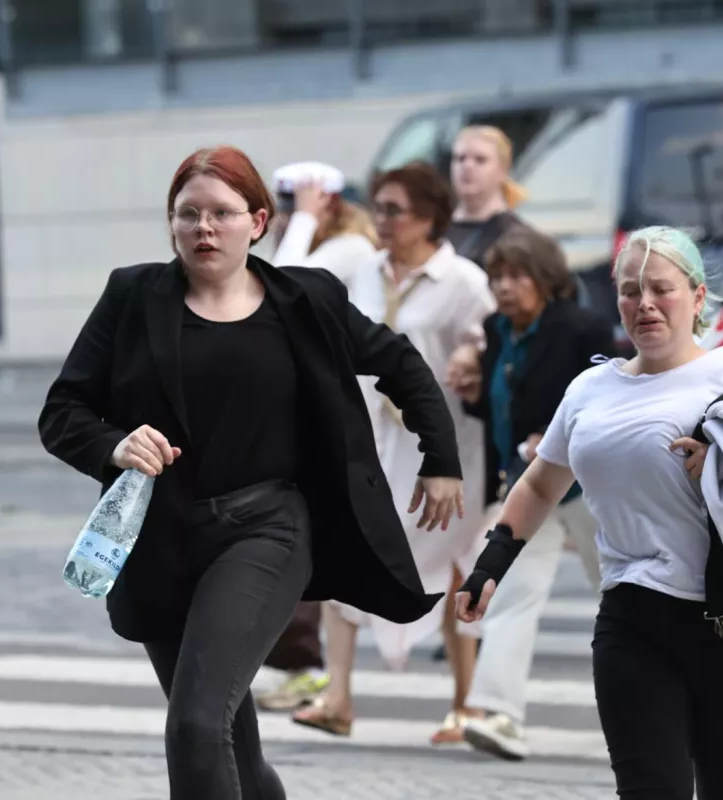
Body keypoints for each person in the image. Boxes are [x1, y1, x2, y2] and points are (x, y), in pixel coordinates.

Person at [38, 145, 464, 800]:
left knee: (194, 725)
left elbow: (401, 363)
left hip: (265, 530)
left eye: (221, 213)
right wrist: (114, 445)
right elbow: (63, 410)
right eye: (188, 215)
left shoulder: (304, 301)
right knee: (229, 742)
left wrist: (441, 460)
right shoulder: (133, 295)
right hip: (156, 539)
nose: (204, 228)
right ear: (172, 223)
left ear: (258, 221)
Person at [456, 225, 723, 799]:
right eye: (628, 290)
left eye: (660, 289)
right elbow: (540, 484)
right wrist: (489, 565)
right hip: (632, 621)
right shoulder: (591, 388)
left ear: (696, 297)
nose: (643, 304)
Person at [287, 161, 493, 744]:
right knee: (345, 551)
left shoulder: (464, 281)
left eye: (394, 209)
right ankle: (339, 697)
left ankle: (466, 703)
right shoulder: (364, 270)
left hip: (442, 447)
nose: (382, 219)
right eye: (377, 206)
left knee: (455, 564)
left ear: (428, 217)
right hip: (372, 438)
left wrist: (471, 362)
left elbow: (487, 345)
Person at [444, 227, 613, 760]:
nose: (505, 287)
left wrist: (554, 435)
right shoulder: (497, 330)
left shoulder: (579, 328)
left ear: (545, 278)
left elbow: (606, 395)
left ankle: (666, 699)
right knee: (511, 594)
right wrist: (473, 393)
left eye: (518, 276)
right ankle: (498, 714)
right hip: (525, 487)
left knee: (621, 590)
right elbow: (500, 404)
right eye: (498, 277)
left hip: (586, 486)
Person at [256, 160, 380, 713]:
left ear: (325, 204)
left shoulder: (351, 248)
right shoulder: (319, 247)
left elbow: (285, 286)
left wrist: (301, 221)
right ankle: (301, 664)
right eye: (283, 207)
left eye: (293, 205)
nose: (283, 218)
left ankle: (311, 668)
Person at [268, 161, 378, 285]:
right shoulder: (309, 246)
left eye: (295, 213)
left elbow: (283, 286)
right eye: (286, 212)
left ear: (332, 205)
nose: (288, 223)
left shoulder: (354, 246)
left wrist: (305, 216)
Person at [446, 125, 529, 266]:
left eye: (480, 160)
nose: (467, 166)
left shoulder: (516, 237)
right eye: (460, 159)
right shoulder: (431, 229)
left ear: (503, 170)